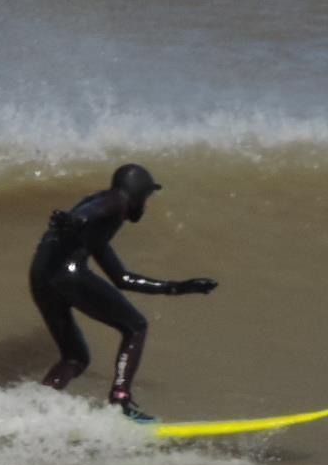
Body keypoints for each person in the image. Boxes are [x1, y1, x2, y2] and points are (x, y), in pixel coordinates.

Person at [29, 163, 217, 422]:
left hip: (41, 275)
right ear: (137, 192)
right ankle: (121, 400)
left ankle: (35, 411)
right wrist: (74, 220)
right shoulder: (115, 200)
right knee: (136, 327)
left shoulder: (94, 234)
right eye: (147, 197)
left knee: (75, 357)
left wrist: (179, 287)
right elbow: (91, 211)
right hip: (67, 272)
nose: (146, 205)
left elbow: (123, 278)